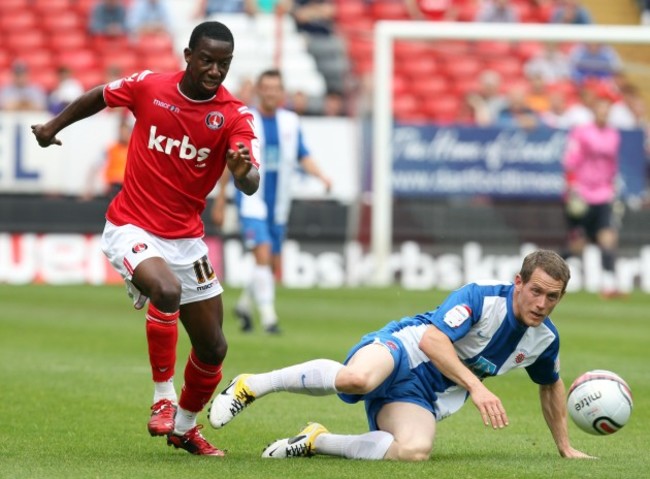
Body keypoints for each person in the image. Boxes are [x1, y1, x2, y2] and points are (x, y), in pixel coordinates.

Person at [31, 21, 261, 456]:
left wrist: (241, 169)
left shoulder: (234, 115)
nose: (215, 71)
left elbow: (251, 179)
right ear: (188, 55)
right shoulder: (149, 87)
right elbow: (98, 94)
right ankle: (162, 397)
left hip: (186, 240)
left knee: (214, 348)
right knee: (166, 289)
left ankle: (185, 427)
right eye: (208, 60)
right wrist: (51, 127)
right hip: (130, 225)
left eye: (224, 64)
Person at [208, 250, 594, 461]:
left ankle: (317, 441)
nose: (542, 304)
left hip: (423, 395)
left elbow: (551, 385)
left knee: (413, 452)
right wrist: (477, 387)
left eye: (553, 297)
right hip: (403, 348)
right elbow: (431, 341)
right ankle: (252, 385)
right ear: (518, 283)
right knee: (358, 379)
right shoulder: (480, 297)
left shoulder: (544, 340)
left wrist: (564, 446)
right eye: (536, 291)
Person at [211, 69, 331, 334]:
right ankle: (269, 319)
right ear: (258, 90)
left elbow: (303, 155)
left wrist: (322, 176)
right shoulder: (245, 119)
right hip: (251, 200)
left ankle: (244, 305)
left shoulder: (290, 122)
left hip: (279, 205)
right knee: (263, 255)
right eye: (266, 87)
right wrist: (220, 201)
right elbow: (227, 163)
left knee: (270, 263)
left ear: (281, 92)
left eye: (275, 87)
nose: (270, 92)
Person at [563, 98, 622, 298]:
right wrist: (572, 188)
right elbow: (570, 160)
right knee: (578, 245)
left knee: (608, 237)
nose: (604, 114)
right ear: (594, 111)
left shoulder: (613, 135)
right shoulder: (581, 132)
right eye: (601, 109)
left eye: (607, 111)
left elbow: (612, 165)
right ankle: (543, 274)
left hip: (603, 194)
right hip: (583, 194)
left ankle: (609, 284)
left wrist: (614, 189)